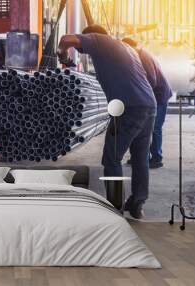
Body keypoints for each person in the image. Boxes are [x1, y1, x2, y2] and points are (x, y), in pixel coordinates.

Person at [57, 25, 156, 219]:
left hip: (128, 109)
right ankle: (137, 204)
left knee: (111, 158)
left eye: (82, 45)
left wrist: (61, 54)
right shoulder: (124, 48)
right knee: (140, 158)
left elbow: (66, 39)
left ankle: (116, 207)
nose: (80, 50)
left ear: (91, 36)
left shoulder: (100, 41)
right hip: (148, 106)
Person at [122, 38, 173, 169]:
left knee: (155, 128)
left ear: (130, 47)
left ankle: (156, 158)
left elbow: (151, 80)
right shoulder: (137, 55)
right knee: (140, 127)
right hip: (150, 97)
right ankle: (139, 157)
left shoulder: (143, 56)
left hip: (159, 97)